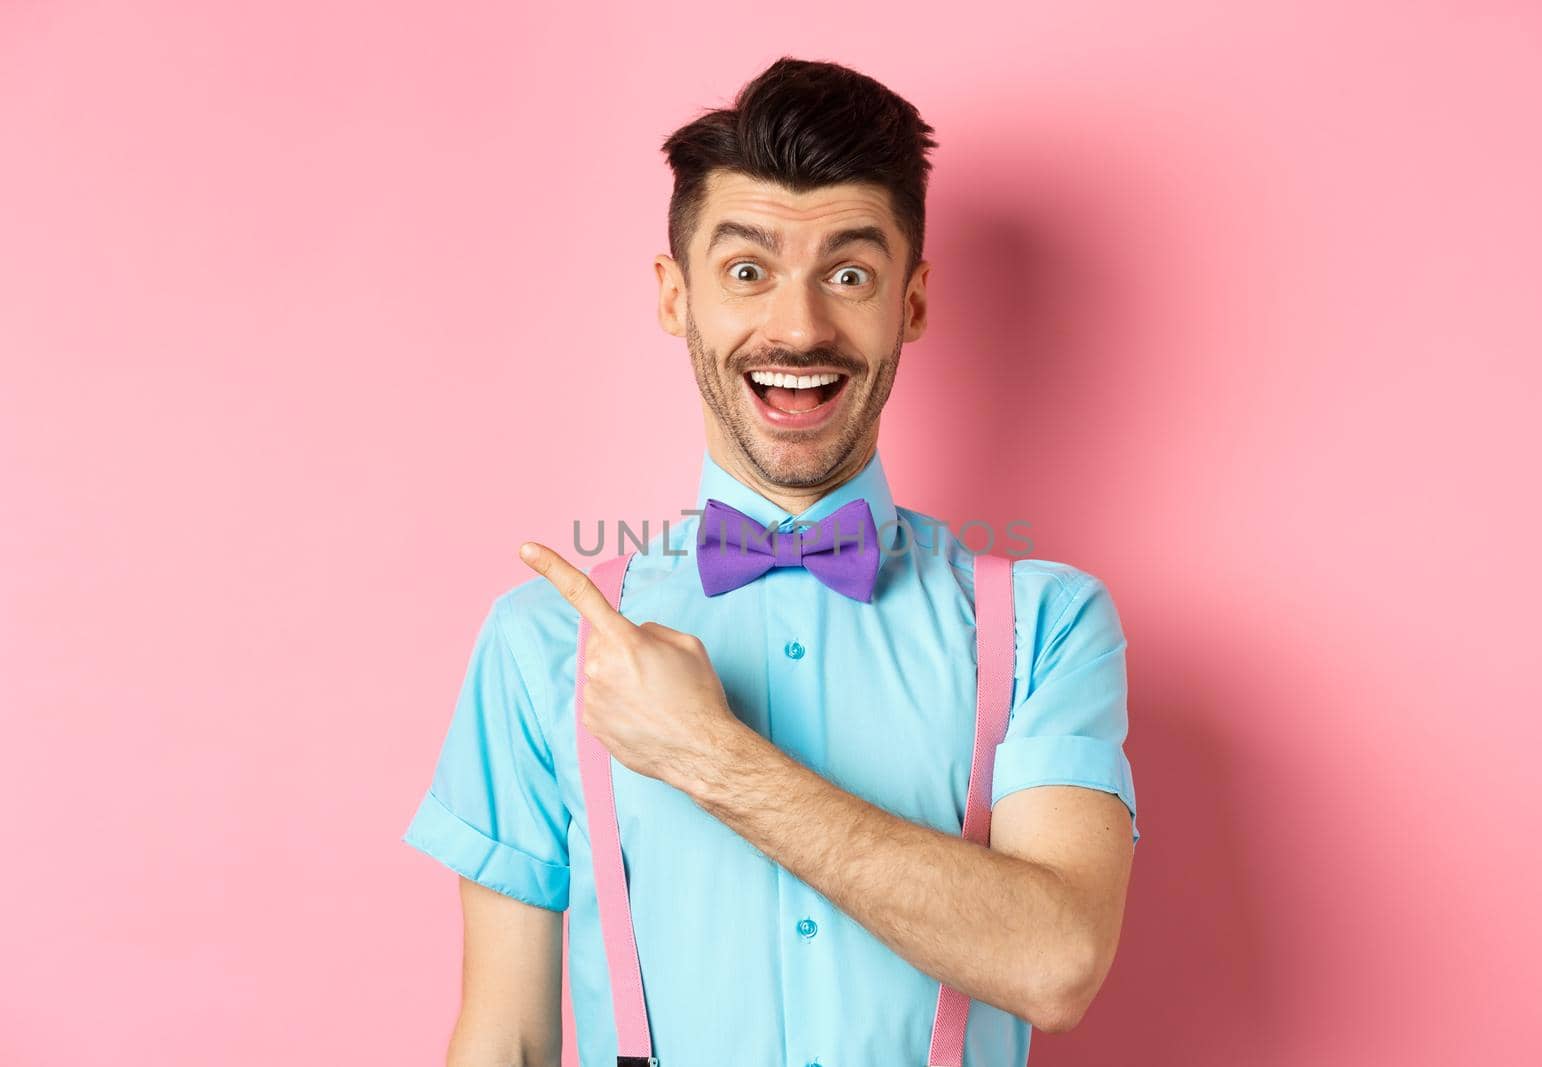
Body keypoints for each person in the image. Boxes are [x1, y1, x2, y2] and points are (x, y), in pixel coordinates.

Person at [402, 55, 1140, 1067]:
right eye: (747, 270)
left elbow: (1056, 961)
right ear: (676, 295)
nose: (798, 325)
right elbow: (508, 1038)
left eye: (848, 274)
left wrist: (705, 753)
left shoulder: (1047, 627)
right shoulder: (545, 641)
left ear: (910, 304)